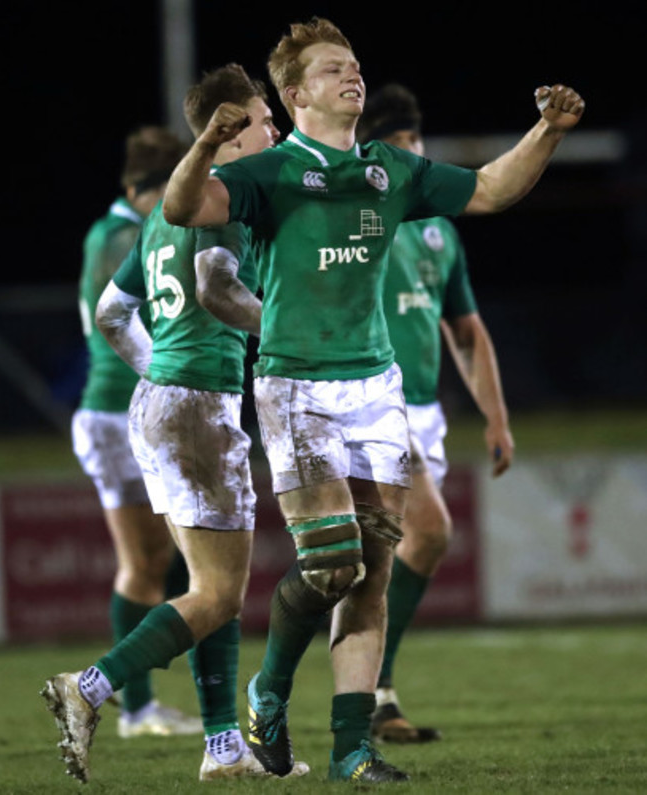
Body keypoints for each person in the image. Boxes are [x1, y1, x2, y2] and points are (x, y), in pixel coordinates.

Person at [162, 17, 584, 783]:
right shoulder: (272, 172)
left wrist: (546, 132)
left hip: (377, 385)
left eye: (353, 65)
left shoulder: (391, 169)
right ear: (294, 96)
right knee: (331, 564)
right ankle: (268, 690)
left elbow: (489, 189)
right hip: (296, 384)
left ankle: (353, 747)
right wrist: (200, 145)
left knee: (375, 569)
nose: (351, 76)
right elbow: (183, 208)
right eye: (331, 70)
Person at [42, 64, 308, 783]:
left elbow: (109, 314)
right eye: (262, 118)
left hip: (160, 402)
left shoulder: (165, 210)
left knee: (207, 584)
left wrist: (155, 368)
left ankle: (223, 746)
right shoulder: (226, 204)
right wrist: (289, 334)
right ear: (226, 129)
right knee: (218, 592)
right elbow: (216, 286)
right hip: (196, 406)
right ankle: (90, 688)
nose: (276, 128)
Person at [355, 83, 514, 743]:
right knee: (429, 530)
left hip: (425, 412)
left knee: (375, 560)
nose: (409, 159)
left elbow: (467, 331)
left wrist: (497, 417)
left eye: (415, 147)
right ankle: (368, 692)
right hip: (371, 400)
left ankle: (366, 698)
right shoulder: (361, 219)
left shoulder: (440, 234)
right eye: (395, 149)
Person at [71, 125, 201, 738]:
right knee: (146, 563)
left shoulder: (114, 231)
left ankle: (139, 701)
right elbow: (113, 323)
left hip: (114, 411)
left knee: (159, 559)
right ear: (141, 187)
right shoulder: (124, 233)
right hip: (115, 410)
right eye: (167, 187)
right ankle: (136, 706)